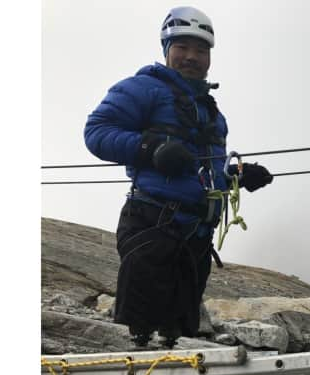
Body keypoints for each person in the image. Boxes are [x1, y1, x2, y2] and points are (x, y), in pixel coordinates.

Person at [84, 6, 272, 349]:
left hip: (195, 237)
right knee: (138, 329)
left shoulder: (212, 112)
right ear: (166, 48)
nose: (192, 56)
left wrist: (238, 175)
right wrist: (150, 148)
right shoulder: (141, 88)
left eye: (201, 50)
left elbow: (205, 169)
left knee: (177, 330)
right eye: (182, 47)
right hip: (153, 222)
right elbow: (96, 133)